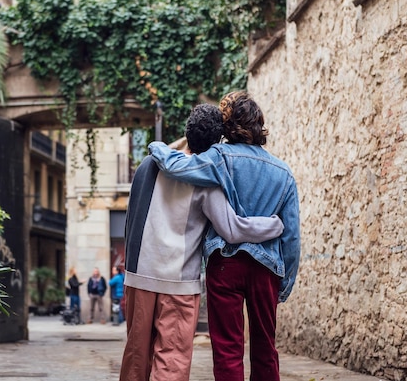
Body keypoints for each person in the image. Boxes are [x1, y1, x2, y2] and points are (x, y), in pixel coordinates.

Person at [120, 103, 285, 381]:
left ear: (187, 131)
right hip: (179, 282)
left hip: (139, 277)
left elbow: (130, 220)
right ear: (218, 141)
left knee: (136, 357)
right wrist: (273, 225)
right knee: (171, 360)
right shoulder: (207, 181)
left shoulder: (147, 166)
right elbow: (232, 229)